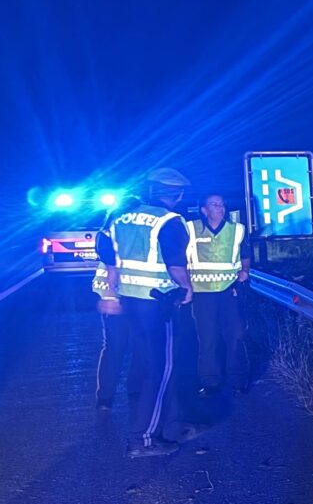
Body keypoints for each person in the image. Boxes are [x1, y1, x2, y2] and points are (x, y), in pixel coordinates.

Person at [95, 168, 197, 457]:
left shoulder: (120, 218)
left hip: (129, 301)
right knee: (160, 370)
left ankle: (168, 425)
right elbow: (176, 265)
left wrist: (111, 293)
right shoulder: (169, 221)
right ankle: (143, 439)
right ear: (177, 195)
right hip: (157, 303)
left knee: (150, 366)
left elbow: (107, 255)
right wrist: (187, 288)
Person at [186, 192, 251, 395]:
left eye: (222, 204)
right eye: (214, 204)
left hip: (230, 291)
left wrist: (244, 272)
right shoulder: (190, 229)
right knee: (207, 338)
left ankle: (238, 380)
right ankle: (210, 382)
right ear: (204, 210)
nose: (220, 208)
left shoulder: (237, 230)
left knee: (236, 336)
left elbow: (245, 254)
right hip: (201, 293)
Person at [91, 194, 145, 410]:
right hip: (118, 296)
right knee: (118, 346)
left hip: (133, 294)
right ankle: (111, 395)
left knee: (128, 346)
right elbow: (111, 268)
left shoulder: (116, 233)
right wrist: (111, 297)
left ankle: (121, 394)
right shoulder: (109, 234)